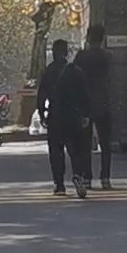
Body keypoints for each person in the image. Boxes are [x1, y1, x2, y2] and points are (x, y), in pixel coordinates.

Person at [36, 38, 92, 197]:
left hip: (55, 115)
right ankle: (78, 175)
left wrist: (42, 113)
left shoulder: (48, 71)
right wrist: (86, 114)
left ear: (53, 53)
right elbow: (84, 94)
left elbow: (42, 95)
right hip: (74, 115)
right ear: (66, 53)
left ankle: (59, 184)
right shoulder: (75, 70)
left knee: (56, 151)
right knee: (76, 149)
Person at [73, 23, 114, 189]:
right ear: (102, 38)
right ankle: (105, 177)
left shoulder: (81, 57)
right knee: (106, 143)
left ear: (88, 38)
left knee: (85, 143)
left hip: (86, 103)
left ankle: (87, 177)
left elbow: (75, 78)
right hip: (103, 101)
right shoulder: (108, 56)